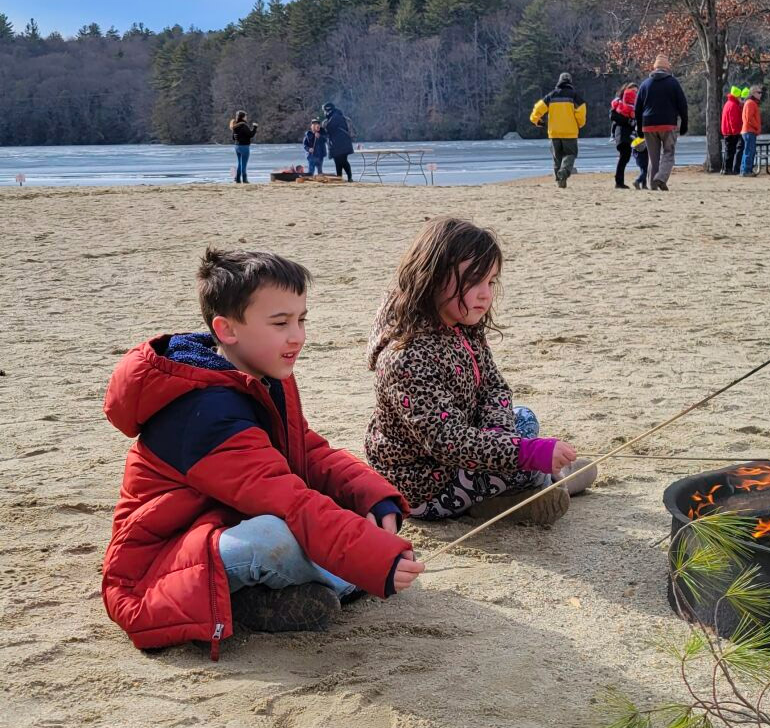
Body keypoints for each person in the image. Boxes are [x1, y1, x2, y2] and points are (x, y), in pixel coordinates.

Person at [102, 248, 423, 659]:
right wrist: (375, 559)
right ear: (227, 329)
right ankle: (250, 601)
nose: (298, 336)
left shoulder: (256, 374)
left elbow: (306, 449)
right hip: (161, 565)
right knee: (280, 538)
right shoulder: (205, 413)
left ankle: (273, 595)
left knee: (335, 525)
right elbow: (286, 498)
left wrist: (371, 494)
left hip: (226, 520)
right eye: (280, 323)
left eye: (301, 319)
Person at [365, 217, 596, 526]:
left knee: (523, 417)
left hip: (465, 454)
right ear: (432, 277)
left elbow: (494, 387)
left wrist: (500, 435)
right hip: (424, 485)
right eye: (474, 281)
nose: (486, 294)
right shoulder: (405, 357)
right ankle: (551, 483)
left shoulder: (461, 322)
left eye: (491, 282)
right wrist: (523, 453)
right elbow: (448, 441)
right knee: (525, 460)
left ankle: (512, 495)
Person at [634, 54, 688, 191]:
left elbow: (637, 107)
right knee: (669, 153)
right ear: (667, 68)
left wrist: (639, 127)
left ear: (654, 68)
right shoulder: (673, 83)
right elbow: (682, 104)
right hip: (668, 123)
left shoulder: (645, 84)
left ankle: (652, 183)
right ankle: (661, 178)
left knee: (653, 157)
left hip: (648, 124)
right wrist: (684, 123)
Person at [530, 72, 587, 188]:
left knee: (557, 157)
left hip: (554, 132)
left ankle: (559, 180)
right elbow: (581, 112)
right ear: (570, 81)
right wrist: (579, 124)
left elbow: (537, 109)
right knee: (571, 154)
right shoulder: (574, 96)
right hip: (570, 132)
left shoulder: (551, 96)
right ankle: (564, 172)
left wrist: (537, 121)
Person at [609, 84, 638, 190]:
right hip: (622, 133)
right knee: (624, 156)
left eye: (636, 91)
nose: (634, 93)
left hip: (629, 133)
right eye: (633, 91)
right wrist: (628, 121)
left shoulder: (634, 104)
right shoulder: (619, 103)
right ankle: (619, 182)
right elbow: (613, 116)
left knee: (624, 157)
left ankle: (619, 181)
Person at [321, 102, 354, 180]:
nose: (324, 112)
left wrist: (321, 129)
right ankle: (340, 177)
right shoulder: (336, 116)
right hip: (340, 144)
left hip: (340, 144)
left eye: (324, 110)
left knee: (342, 161)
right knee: (339, 161)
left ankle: (348, 178)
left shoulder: (335, 117)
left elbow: (328, 129)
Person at [721, 85, 744, 174]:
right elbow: (733, 120)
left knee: (728, 150)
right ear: (736, 96)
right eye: (739, 97)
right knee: (730, 151)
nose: (740, 98)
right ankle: (728, 169)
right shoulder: (733, 105)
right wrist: (736, 132)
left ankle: (725, 169)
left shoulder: (728, 103)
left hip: (727, 131)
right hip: (730, 132)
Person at [740, 85, 763, 177]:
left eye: (761, 92)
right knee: (749, 151)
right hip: (749, 131)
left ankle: (744, 170)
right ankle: (746, 171)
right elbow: (749, 118)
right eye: (759, 92)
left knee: (748, 151)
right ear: (753, 93)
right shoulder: (750, 103)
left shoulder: (751, 103)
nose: (761, 94)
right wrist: (757, 127)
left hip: (749, 131)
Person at [230, 110, 258, 183]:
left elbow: (233, 138)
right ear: (242, 117)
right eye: (245, 116)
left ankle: (238, 180)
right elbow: (251, 135)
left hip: (237, 146)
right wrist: (255, 127)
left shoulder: (235, 126)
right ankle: (245, 180)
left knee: (239, 163)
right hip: (244, 147)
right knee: (244, 164)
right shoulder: (243, 125)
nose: (246, 117)